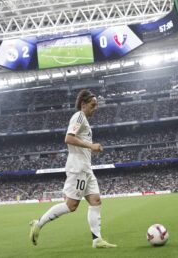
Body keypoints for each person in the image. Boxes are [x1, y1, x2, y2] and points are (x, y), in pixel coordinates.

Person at [29, 89, 116, 249]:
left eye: (96, 105)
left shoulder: (85, 120)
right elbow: (68, 138)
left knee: (95, 201)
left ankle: (97, 240)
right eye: (92, 105)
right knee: (71, 205)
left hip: (86, 169)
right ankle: (39, 223)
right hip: (78, 168)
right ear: (83, 104)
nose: (95, 108)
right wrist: (91, 146)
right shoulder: (79, 116)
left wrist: (90, 150)